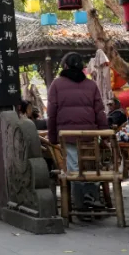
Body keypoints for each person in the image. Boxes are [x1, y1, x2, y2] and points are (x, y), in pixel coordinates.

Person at [47, 52, 107, 219]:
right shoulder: (91, 85)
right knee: (92, 166)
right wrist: (105, 134)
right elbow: (100, 112)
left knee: (74, 168)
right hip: (91, 135)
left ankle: (81, 208)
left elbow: (51, 113)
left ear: (65, 66)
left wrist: (52, 137)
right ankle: (91, 196)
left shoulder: (57, 85)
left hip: (68, 136)